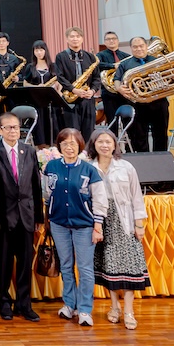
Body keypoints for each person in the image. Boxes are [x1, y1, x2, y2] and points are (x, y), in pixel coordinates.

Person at [87, 129, 150, 330]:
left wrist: (139, 224)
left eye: (108, 142)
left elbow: (136, 197)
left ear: (115, 145)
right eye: (100, 142)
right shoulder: (89, 167)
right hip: (100, 221)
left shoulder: (126, 167)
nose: (104, 145)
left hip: (124, 221)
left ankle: (129, 311)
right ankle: (114, 307)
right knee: (109, 267)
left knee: (129, 267)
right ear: (94, 144)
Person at [44, 127, 107, 326]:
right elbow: (47, 195)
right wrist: (48, 217)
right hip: (59, 224)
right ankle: (69, 304)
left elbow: (100, 200)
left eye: (72, 143)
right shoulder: (51, 166)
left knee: (85, 268)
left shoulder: (90, 170)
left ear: (80, 145)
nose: (69, 147)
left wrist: (97, 226)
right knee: (66, 266)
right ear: (59, 146)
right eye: (64, 144)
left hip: (84, 226)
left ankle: (85, 309)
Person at [0, 112, 43, 322]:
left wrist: (38, 216)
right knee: (3, 263)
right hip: (3, 217)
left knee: (25, 263)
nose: (13, 131)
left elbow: (36, 185)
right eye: (8, 127)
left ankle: (24, 304)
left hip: (26, 215)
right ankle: (4, 302)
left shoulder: (29, 151)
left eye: (16, 127)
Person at [115, 36, 170, 152]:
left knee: (161, 134)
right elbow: (117, 79)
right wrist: (119, 88)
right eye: (135, 47)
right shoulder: (125, 64)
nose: (139, 49)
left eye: (141, 46)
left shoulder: (157, 61)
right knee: (139, 136)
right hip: (137, 104)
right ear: (131, 48)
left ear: (146, 46)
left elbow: (169, 76)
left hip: (158, 102)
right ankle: (143, 158)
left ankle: (161, 158)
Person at [53, 27, 100, 138]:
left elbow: (97, 78)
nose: (75, 39)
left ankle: (87, 150)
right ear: (67, 39)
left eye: (78, 36)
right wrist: (74, 90)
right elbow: (60, 77)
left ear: (82, 39)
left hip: (88, 99)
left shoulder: (91, 57)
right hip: (70, 99)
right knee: (72, 133)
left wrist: (92, 91)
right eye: (72, 36)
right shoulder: (61, 57)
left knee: (89, 133)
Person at [96, 32, 130, 124]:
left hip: (125, 92)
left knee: (128, 121)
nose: (111, 41)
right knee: (112, 121)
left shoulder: (126, 56)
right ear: (105, 42)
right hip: (109, 94)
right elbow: (96, 65)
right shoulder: (100, 55)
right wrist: (112, 66)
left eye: (114, 38)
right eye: (108, 39)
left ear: (118, 41)